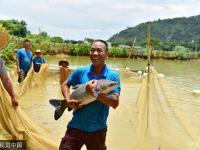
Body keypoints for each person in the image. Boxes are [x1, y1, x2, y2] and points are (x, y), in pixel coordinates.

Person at [60, 40, 121, 150]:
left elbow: (115, 103)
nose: (95, 53)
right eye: (92, 50)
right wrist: (68, 100)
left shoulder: (113, 77)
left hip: (98, 129)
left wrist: (94, 93)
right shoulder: (80, 71)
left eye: (99, 51)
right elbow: (65, 84)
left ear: (107, 54)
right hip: (76, 126)